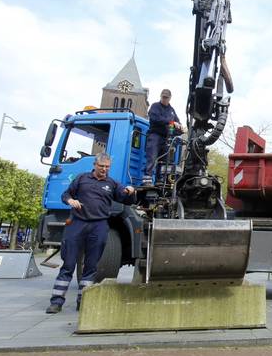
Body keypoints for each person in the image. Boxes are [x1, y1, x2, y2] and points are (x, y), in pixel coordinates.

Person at [46, 152, 136, 314]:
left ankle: (83, 302)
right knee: (68, 264)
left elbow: (126, 199)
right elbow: (65, 194)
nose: (104, 170)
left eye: (107, 167)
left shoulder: (112, 183)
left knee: (91, 266)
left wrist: (130, 192)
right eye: (101, 166)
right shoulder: (82, 178)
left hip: (99, 225)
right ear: (95, 165)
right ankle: (56, 302)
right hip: (77, 224)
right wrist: (70, 201)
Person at [144, 88, 182, 183]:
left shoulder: (171, 110)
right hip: (155, 135)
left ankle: (160, 179)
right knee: (152, 157)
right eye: (163, 97)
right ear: (161, 96)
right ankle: (147, 178)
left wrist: (180, 127)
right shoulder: (155, 106)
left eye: (166, 98)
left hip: (167, 138)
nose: (164, 99)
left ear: (170, 98)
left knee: (165, 160)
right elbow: (155, 118)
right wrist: (171, 122)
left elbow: (177, 121)